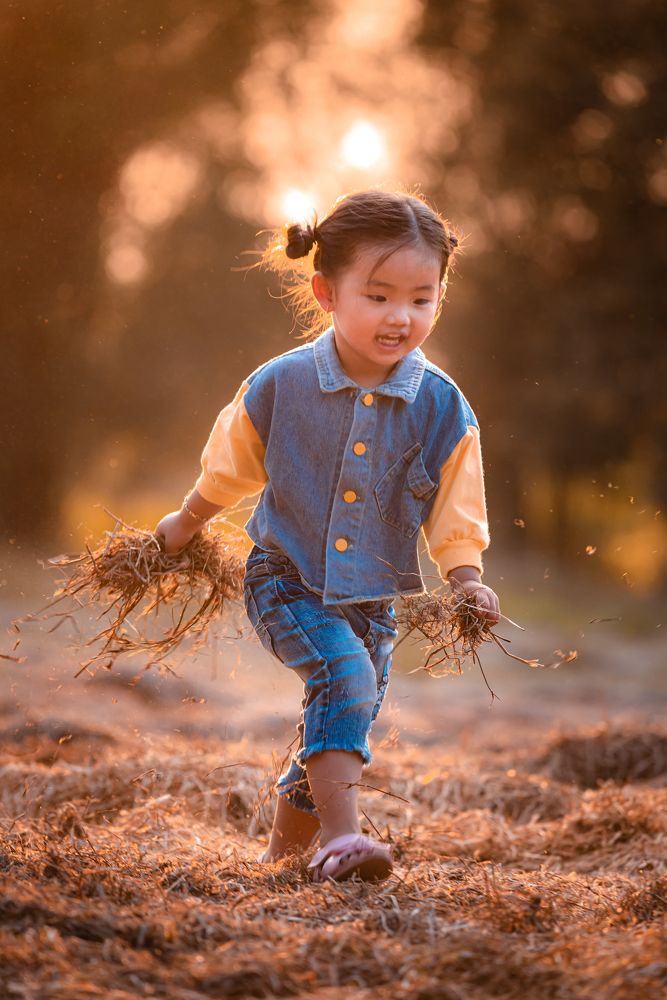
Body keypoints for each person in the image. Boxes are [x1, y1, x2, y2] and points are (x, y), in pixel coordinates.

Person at [156, 189, 501, 883]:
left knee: (342, 717)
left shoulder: (442, 406)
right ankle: (342, 842)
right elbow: (230, 469)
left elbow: (456, 505)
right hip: (285, 577)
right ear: (325, 292)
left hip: (375, 598)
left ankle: (282, 861)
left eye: (420, 299)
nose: (399, 317)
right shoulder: (280, 385)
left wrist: (465, 580)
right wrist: (184, 526)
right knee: (341, 681)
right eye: (377, 296)